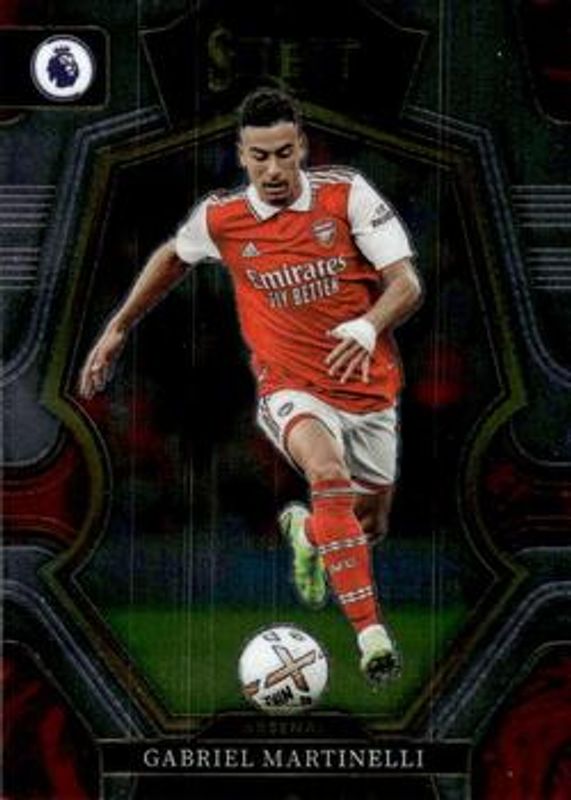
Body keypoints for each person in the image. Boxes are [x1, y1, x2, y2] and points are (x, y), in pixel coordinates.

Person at [79, 87, 422, 688]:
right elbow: (173, 256)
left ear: (302, 148)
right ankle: (372, 638)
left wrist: (369, 326)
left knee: (366, 523)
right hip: (289, 385)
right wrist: (118, 327)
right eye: (259, 156)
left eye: (284, 153)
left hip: (367, 384)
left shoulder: (347, 195)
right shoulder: (222, 218)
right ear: (242, 155)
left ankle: (306, 533)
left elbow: (407, 284)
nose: (273, 169)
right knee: (327, 474)